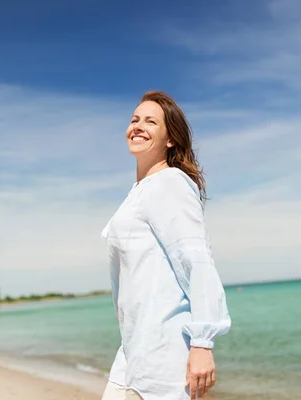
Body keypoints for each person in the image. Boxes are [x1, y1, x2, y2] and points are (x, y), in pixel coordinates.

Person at [100, 91, 231, 400]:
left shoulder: (170, 182)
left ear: (170, 138)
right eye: (134, 120)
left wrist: (202, 342)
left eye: (150, 121)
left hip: (163, 359)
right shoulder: (140, 191)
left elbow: (196, 260)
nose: (138, 126)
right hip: (133, 353)